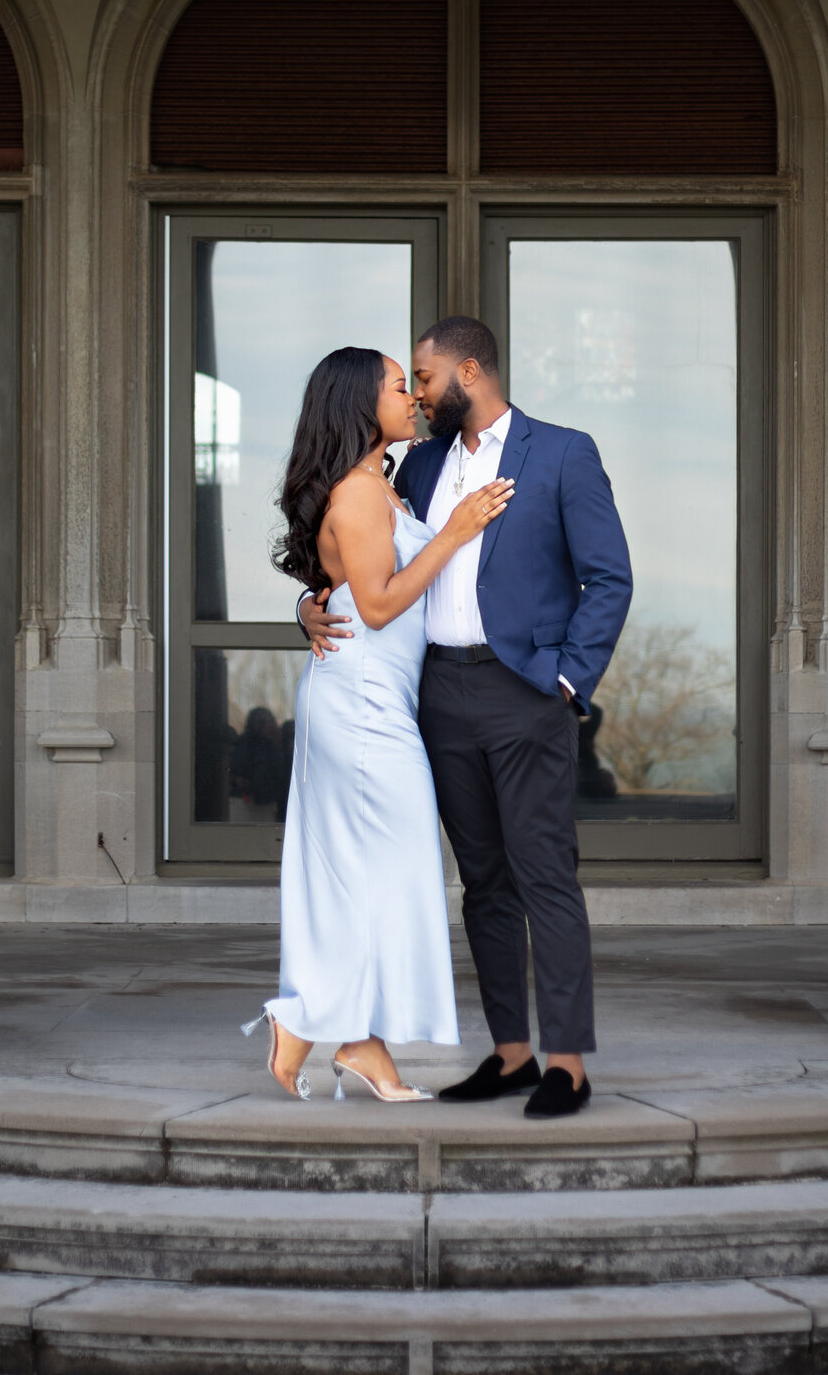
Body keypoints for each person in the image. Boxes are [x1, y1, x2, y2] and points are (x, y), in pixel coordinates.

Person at [303, 317, 632, 1119]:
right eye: (409, 382)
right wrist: (308, 606)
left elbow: (609, 578)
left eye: (424, 376)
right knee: (483, 884)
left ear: (471, 371)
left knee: (545, 876)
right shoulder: (415, 467)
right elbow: (358, 560)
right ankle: (512, 1054)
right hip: (436, 699)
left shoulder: (562, 453)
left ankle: (565, 1064)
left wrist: (565, 680)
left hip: (525, 693)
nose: (416, 393)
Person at [244, 345, 513, 1103]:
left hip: (375, 699)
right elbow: (380, 604)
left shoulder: (379, 486)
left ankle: (357, 1043)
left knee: (375, 875)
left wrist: (308, 605)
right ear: (363, 405)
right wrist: (458, 530)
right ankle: (307, 1024)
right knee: (390, 873)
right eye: (401, 387)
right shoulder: (361, 496)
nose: (414, 398)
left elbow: (336, 589)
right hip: (362, 708)